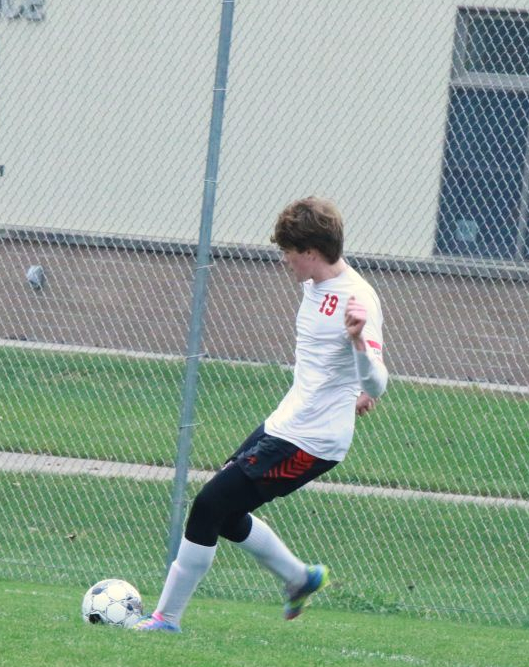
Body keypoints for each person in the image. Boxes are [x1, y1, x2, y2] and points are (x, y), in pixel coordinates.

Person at [136, 197, 388, 632]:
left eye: (289, 252)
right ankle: (299, 578)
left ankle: (165, 618)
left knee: (209, 506)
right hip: (284, 423)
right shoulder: (315, 285)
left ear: (310, 251)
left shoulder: (358, 298)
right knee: (226, 514)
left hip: (311, 441)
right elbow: (336, 368)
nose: (284, 260)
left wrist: (360, 349)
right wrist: (356, 387)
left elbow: (379, 378)